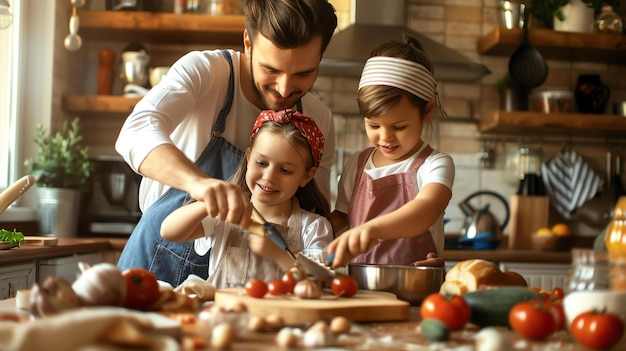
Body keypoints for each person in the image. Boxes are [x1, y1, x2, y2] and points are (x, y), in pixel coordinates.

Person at [114, 0, 338, 286]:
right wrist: (200, 185)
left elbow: (314, 218)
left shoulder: (318, 119)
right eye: (270, 69)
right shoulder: (207, 72)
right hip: (155, 267)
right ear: (247, 42)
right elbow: (136, 130)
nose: (284, 88)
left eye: (303, 73)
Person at [161, 109, 332, 288]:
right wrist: (209, 202)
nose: (269, 177)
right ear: (249, 158)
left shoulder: (313, 227)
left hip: (281, 316)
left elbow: (321, 280)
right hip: (226, 314)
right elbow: (169, 232)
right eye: (261, 163)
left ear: (307, 176)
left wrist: (280, 255)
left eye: (285, 170)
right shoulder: (227, 216)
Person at [326, 36, 455, 269]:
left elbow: (426, 210)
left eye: (399, 127)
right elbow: (343, 220)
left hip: (414, 287)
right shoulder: (356, 164)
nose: (385, 137)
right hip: (360, 287)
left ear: (426, 111)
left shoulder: (435, 164)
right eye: (373, 125)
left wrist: (372, 228)